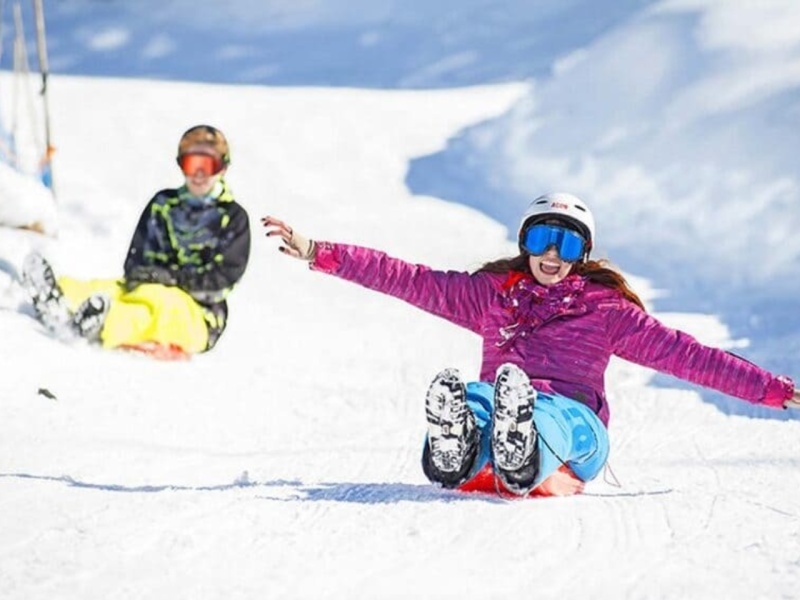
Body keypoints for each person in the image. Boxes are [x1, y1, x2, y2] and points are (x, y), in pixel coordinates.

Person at [261, 192, 799, 498]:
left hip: (577, 427)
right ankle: (456, 448)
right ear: (525, 244)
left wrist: (774, 391)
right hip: (502, 401)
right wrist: (318, 251)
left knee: (548, 415)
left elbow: (691, 356)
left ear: (582, 254)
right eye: (542, 239)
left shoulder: (606, 311)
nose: (552, 254)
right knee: (477, 397)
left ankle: (523, 448)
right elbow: (407, 278)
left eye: (566, 243)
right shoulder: (494, 295)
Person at [22, 124, 251, 359]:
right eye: (192, 164)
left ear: (222, 168)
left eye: (208, 165)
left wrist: (173, 278)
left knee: (156, 308)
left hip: (199, 315)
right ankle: (58, 296)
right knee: (109, 288)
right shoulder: (163, 204)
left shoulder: (232, 217)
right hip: (147, 288)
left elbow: (224, 278)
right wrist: (144, 274)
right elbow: (136, 257)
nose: (199, 174)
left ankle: (101, 323)